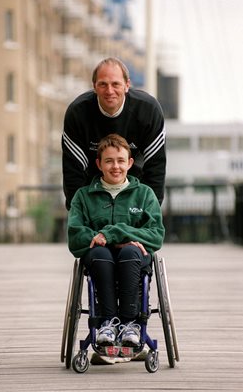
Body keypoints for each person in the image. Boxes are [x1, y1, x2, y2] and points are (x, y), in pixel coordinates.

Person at [67, 134, 165, 352]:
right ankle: (107, 324)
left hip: (134, 258)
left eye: (121, 161)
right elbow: (75, 236)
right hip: (99, 258)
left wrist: (113, 235)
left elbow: (156, 234)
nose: (115, 166)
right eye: (109, 161)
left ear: (129, 163)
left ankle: (131, 324)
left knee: (130, 251)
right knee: (101, 255)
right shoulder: (83, 196)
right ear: (99, 164)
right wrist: (101, 241)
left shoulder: (144, 195)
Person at [62, 57, 166, 211]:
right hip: (93, 185)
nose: (109, 91)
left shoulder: (148, 111)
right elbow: (73, 173)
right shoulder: (77, 113)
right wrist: (80, 217)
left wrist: (149, 214)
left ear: (127, 85)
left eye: (115, 84)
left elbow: (155, 168)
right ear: (94, 87)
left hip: (134, 185)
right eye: (103, 84)